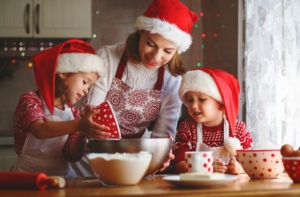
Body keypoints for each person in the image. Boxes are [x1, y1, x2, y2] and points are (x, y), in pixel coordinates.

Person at [66, 0, 198, 175]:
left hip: (135, 162)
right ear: (140, 32)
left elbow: (163, 137)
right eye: (151, 44)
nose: (156, 57)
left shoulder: (172, 80)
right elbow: (93, 119)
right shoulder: (108, 58)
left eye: (167, 51)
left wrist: (161, 158)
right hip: (91, 159)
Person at [11, 39, 109, 178]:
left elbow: (71, 155)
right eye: (85, 82)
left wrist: (83, 132)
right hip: (27, 178)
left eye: (89, 87)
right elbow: (39, 130)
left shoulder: (74, 113)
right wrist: (79, 124)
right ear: (64, 73)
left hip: (62, 178)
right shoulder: (31, 100)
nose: (86, 90)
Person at [173, 68, 253, 174]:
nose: (193, 105)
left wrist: (240, 168)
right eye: (190, 100)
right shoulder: (187, 128)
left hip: (231, 188)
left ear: (221, 103)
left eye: (202, 99)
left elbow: (251, 163)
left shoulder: (237, 128)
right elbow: (178, 164)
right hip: (196, 188)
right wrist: (205, 167)